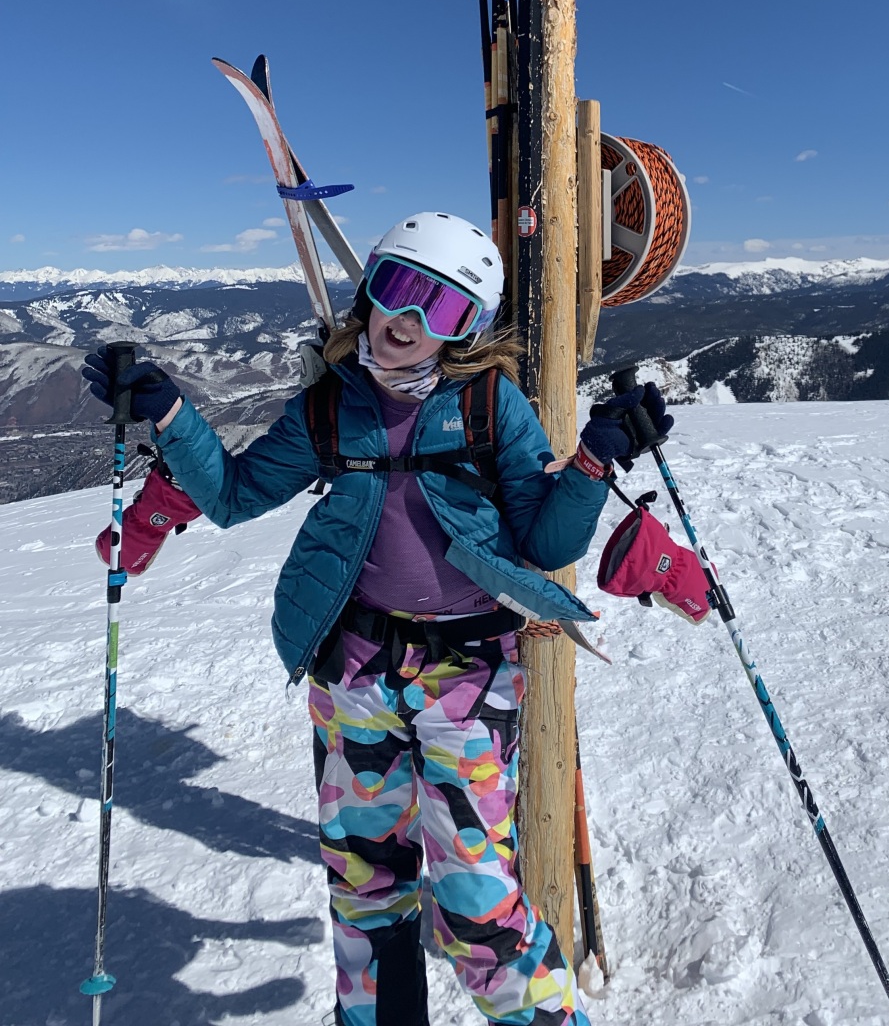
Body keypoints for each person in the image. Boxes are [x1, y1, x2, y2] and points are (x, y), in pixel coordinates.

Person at [85, 211, 672, 1026]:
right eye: (399, 290)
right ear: (368, 289)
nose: (410, 322)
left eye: (443, 309)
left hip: (465, 680)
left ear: (464, 329)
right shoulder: (331, 409)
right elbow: (233, 495)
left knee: (474, 907)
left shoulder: (488, 406)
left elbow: (544, 539)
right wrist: (171, 415)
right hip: (355, 672)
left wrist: (595, 460)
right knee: (365, 895)